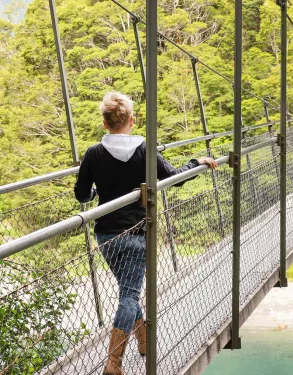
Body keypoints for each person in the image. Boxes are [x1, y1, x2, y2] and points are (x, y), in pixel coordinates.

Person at [74, 92, 218, 375]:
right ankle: (113, 362)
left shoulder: (93, 153)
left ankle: (143, 340)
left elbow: (82, 194)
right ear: (132, 120)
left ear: (105, 124)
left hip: (106, 236)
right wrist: (197, 162)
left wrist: (95, 191)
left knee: (128, 288)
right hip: (138, 234)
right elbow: (174, 178)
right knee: (129, 294)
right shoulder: (145, 149)